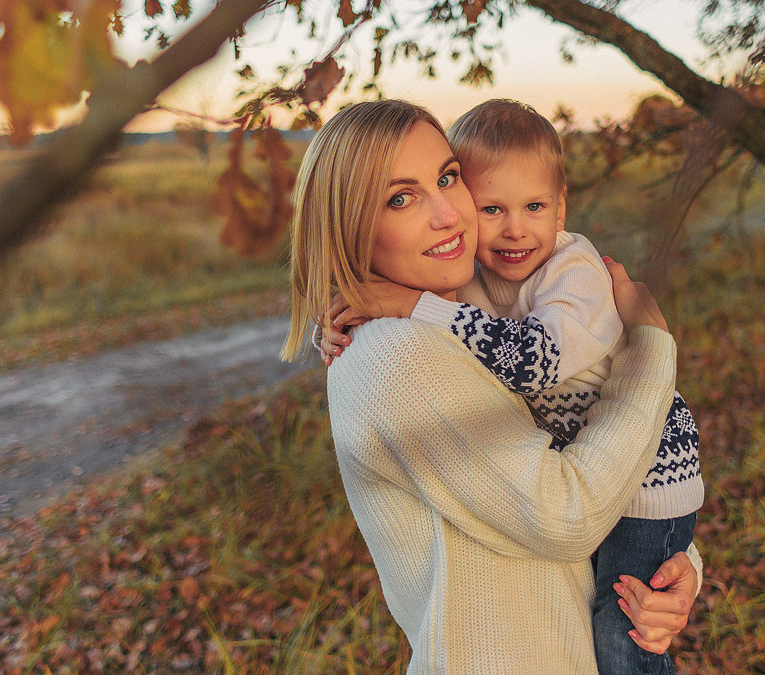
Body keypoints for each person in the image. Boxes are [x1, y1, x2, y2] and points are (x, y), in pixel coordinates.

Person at [282, 99, 700, 673]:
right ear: (349, 225)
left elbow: (565, 466)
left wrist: (674, 562)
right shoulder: (399, 355)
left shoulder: (458, 316)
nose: (449, 214)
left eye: (448, 178)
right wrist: (651, 349)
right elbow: (567, 515)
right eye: (400, 198)